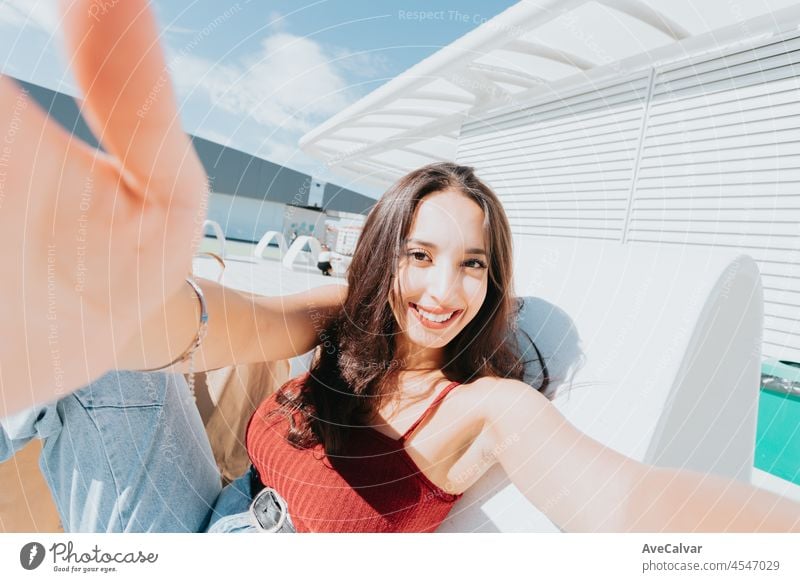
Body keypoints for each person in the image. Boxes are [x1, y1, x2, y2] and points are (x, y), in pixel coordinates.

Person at [1, 0, 799, 533]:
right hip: (213, 513)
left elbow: (626, 500)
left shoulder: (484, 409)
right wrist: (137, 293)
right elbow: (203, 330)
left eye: (472, 264)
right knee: (78, 333)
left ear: (493, 280)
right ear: (386, 257)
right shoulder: (339, 319)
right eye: (419, 255)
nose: (443, 290)